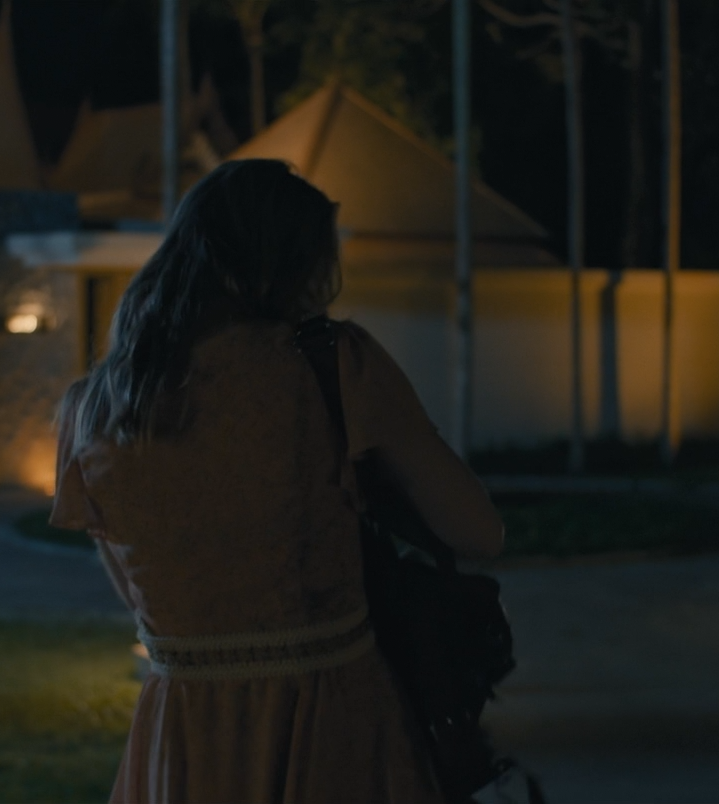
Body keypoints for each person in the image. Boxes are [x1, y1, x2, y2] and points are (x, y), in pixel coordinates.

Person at [51, 159, 504, 803]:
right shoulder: (332, 367)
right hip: (333, 726)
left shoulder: (95, 409)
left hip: (185, 737)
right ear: (293, 263)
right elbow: (478, 532)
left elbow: (144, 601)